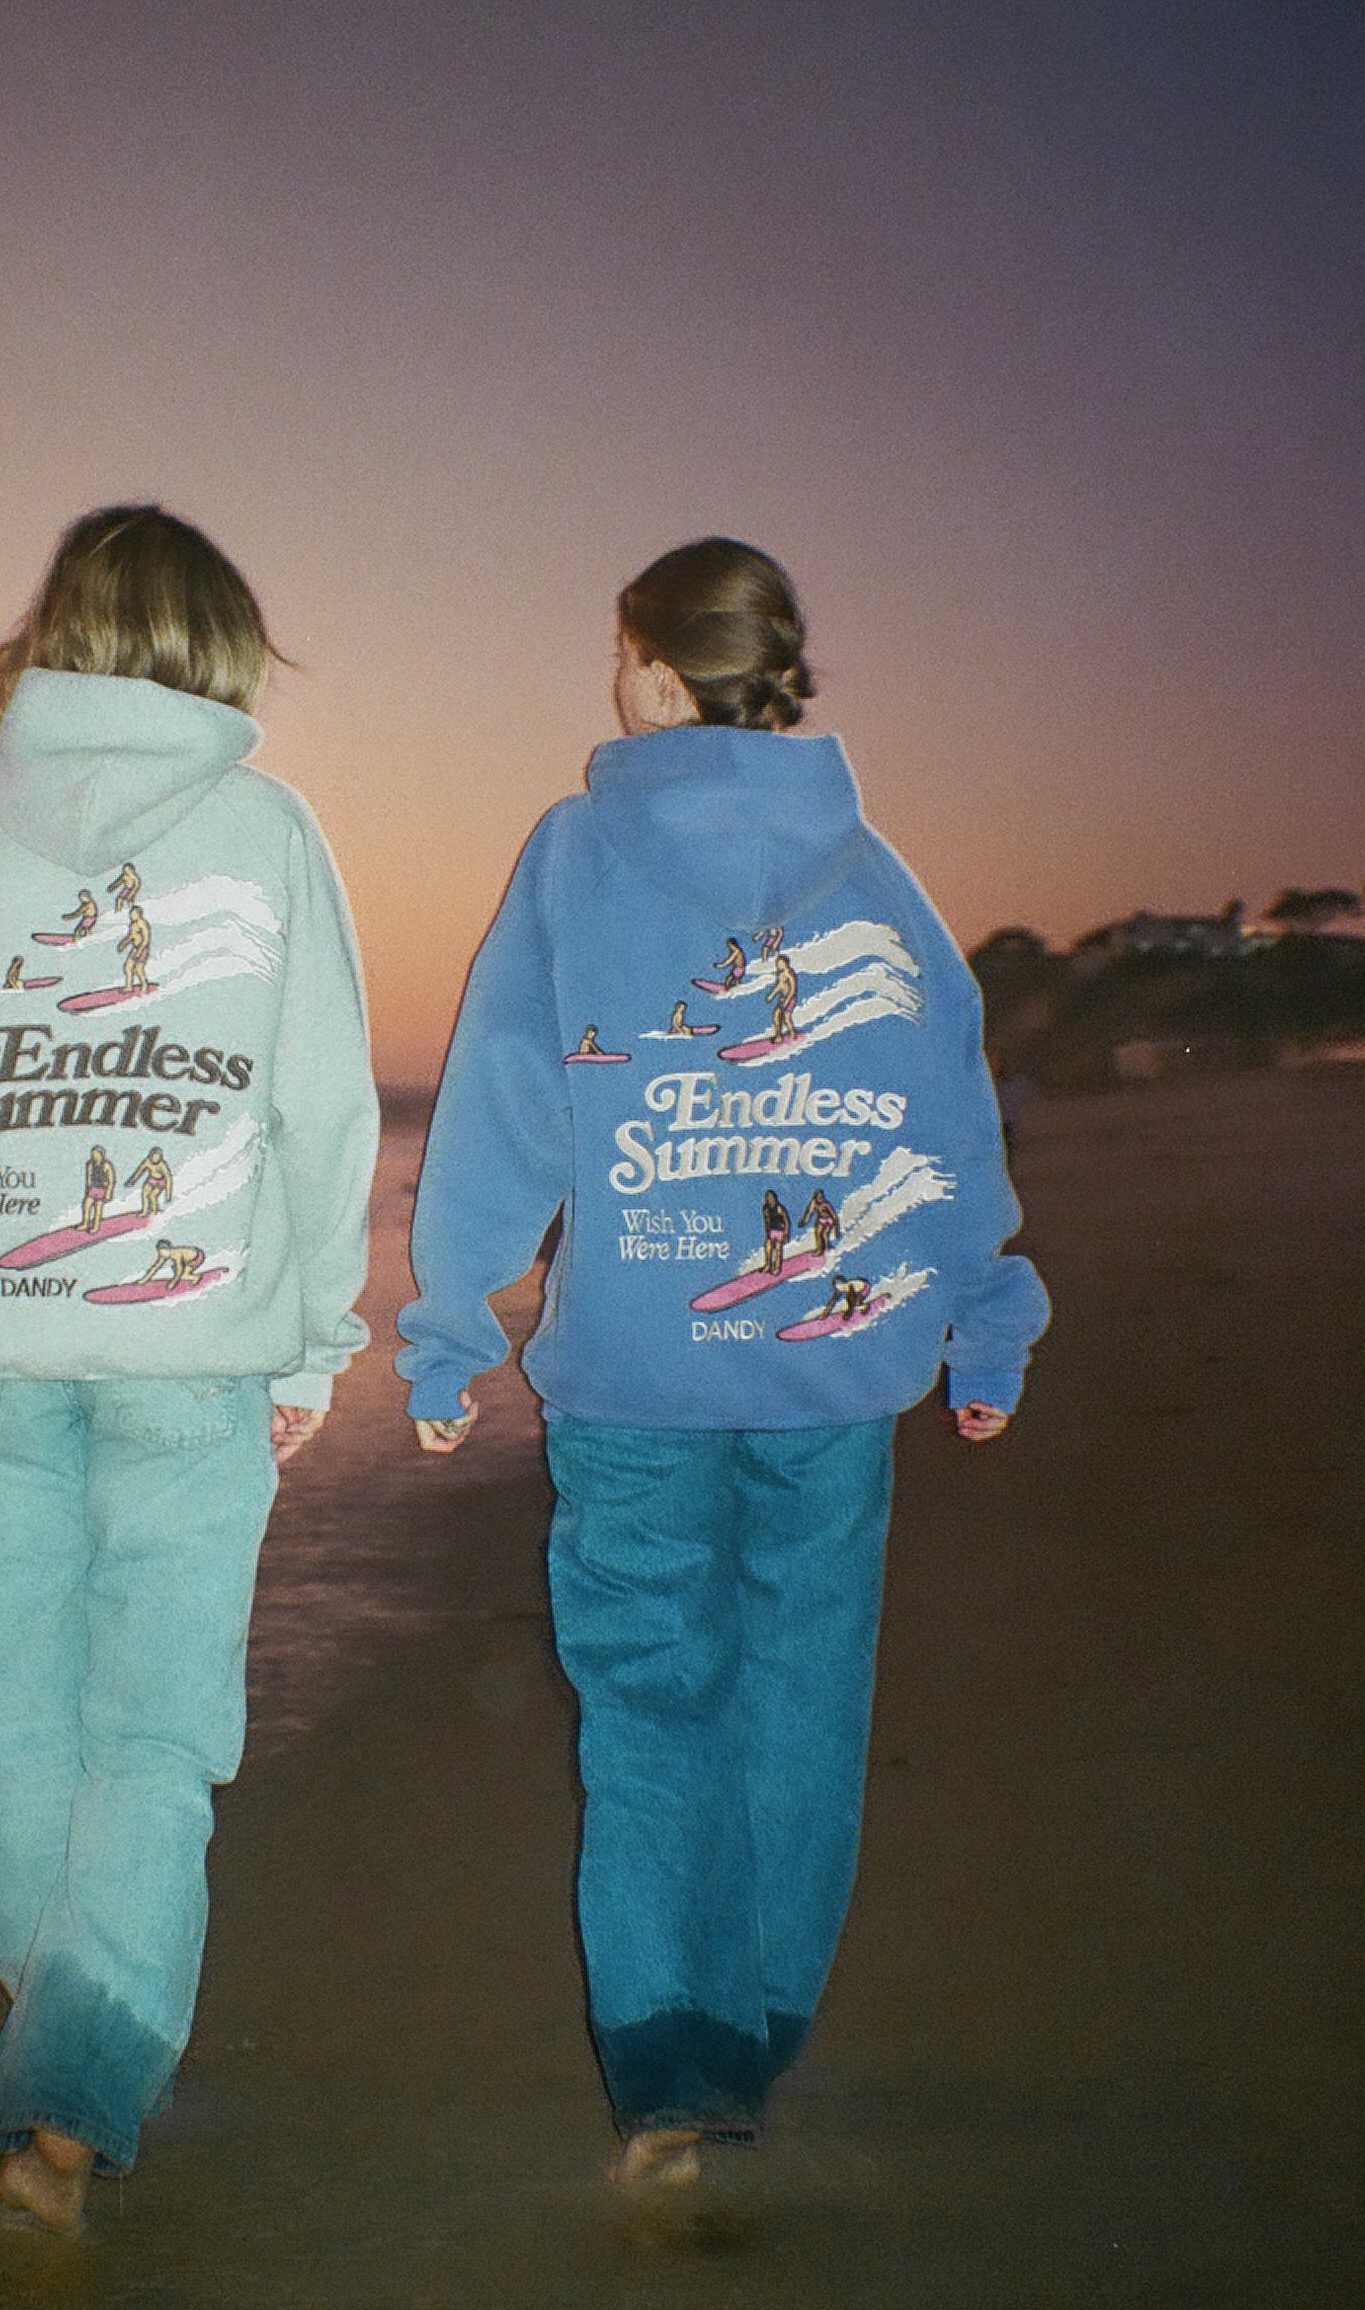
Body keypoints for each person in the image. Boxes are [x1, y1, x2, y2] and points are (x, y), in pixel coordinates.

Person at [397, 534, 1046, 2191]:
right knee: (801, 1698)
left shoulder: (574, 851)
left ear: (659, 675)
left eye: (618, 658)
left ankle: (673, 2065)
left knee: (652, 1707)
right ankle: (757, 2027)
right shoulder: (878, 873)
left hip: (633, 1381)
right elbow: (944, 1106)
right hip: (833, 1380)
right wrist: (985, 1312)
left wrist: (454, 1325)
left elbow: (506, 1101)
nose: (608, 688)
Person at [0, 503, 377, 2230]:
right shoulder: (268, 837)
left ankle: (65, 2034)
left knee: (7, 1723)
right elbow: (323, 1109)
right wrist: (321, 1321)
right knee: (155, 1731)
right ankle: (83, 2049)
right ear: (222, 650)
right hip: (192, 1359)